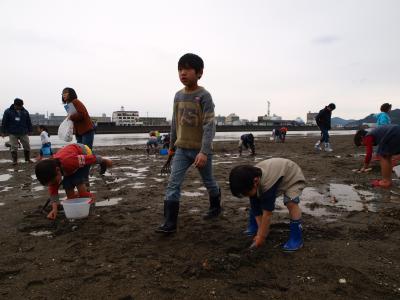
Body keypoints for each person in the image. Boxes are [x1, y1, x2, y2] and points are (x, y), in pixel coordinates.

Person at [156, 53, 221, 234]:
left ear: (199, 73)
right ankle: (169, 223)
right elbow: (175, 123)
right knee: (173, 184)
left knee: (209, 182)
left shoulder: (205, 96)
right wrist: (170, 149)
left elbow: (210, 126)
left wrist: (204, 152)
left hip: (201, 150)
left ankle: (216, 206)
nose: (182, 73)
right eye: (180, 69)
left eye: (187, 69)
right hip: (181, 150)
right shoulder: (178, 96)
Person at [229, 158, 306, 251]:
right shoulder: (250, 177)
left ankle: (296, 237)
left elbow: (267, 214)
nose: (245, 196)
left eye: (245, 193)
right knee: (255, 199)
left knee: (290, 202)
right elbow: (255, 206)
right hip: (276, 173)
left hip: (292, 175)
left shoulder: (267, 185)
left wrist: (261, 236)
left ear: (256, 181)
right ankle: (255, 227)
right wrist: (260, 231)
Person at [35, 143, 112, 220]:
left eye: (54, 181)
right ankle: (78, 202)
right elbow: (53, 192)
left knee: (78, 182)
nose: (54, 184)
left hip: (83, 152)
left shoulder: (70, 161)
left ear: (58, 170)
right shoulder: (52, 172)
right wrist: (54, 209)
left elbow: (89, 159)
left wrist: (103, 161)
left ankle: (89, 199)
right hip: (68, 165)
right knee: (68, 188)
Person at [1, 98, 33, 165]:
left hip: (23, 132)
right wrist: (3, 132)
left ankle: (27, 159)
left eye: (21, 106)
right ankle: (15, 161)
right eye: (18, 106)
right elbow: (4, 122)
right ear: (14, 105)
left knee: (27, 145)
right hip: (12, 132)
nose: (20, 107)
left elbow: (28, 121)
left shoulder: (25, 111)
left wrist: (30, 130)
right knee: (13, 146)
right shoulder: (8, 111)